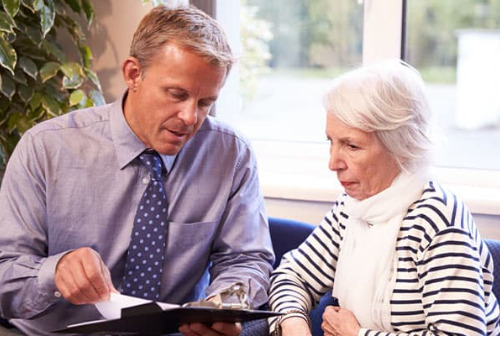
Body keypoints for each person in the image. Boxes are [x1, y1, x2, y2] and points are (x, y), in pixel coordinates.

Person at [0, 5, 274, 336]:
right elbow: (5, 274)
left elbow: (246, 262)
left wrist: (225, 306)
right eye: (177, 94)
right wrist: (53, 272)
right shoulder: (46, 148)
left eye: (205, 103)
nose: (190, 117)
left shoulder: (231, 154)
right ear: (133, 74)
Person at [268, 60, 500, 336]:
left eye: (351, 146)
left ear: (400, 146)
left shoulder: (437, 220)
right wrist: (294, 324)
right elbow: (292, 275)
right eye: (331, 141)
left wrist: (357, 335)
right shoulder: (355, 205)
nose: (333, 163)